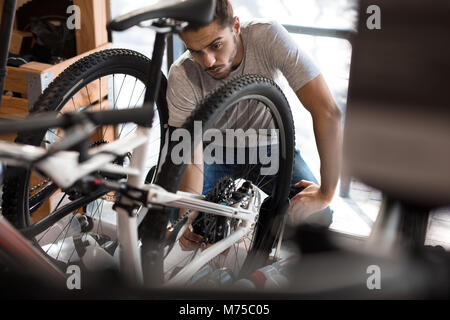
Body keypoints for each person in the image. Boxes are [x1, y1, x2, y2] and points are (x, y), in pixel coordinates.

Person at [166, 0, 342, 230]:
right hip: (212, 150)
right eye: (195, 51)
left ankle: (264, 223)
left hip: (271, 149)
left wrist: (326, 194)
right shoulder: (182, 73)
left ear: (236, 27)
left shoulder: (268, 36)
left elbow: (327, 111)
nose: (208, 61)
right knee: (177, 214)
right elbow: (190, 153)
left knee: (317, 217)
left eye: (216, 45)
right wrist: (187, 222)